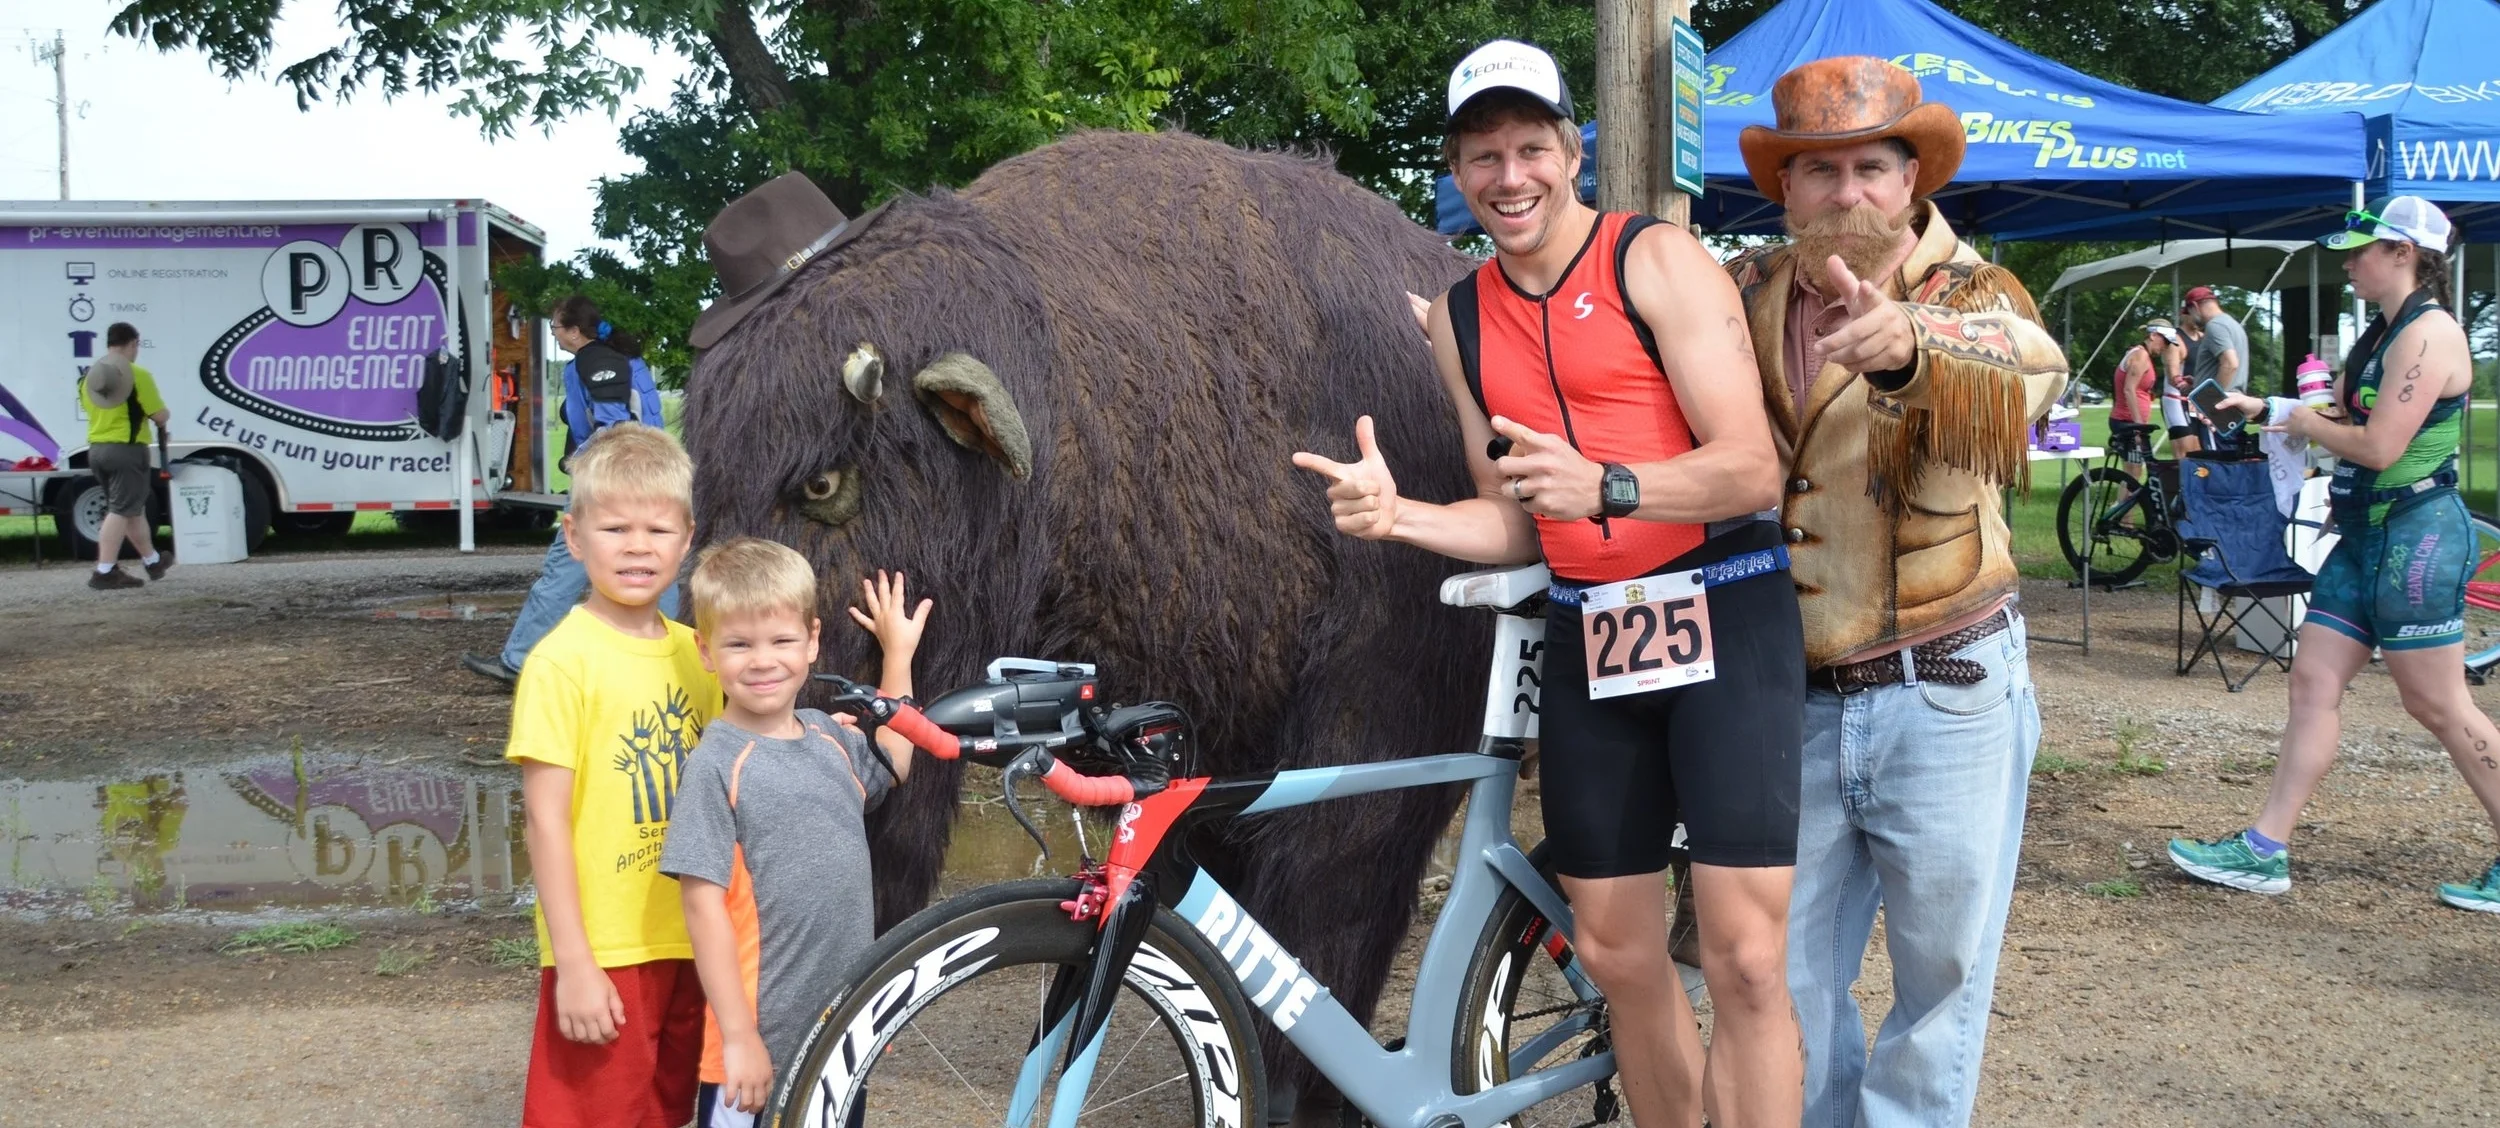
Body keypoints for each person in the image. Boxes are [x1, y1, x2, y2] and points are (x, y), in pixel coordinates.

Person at [1295, 39, 1804, 1127]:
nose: (1509, 176)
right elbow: (1516, 516)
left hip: (1722, 599)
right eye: (1483, 155)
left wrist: (1607, 484)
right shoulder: (1463, 317)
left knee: (1744, 954)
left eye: (1531, 147)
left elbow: (1750, 466)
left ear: (1571, 151)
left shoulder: (1654, 260)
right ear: (1455, 169)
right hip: (1592, 632)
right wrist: (1401, 519)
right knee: (1617, 950)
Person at [1717, 56, 2067, 1127]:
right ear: (1785, 189)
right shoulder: (1741, 293)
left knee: (1940, 987)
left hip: (1946, 690)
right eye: (1818, 171)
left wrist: (1915, 346)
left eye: (1871, 166)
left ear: (1912, 180)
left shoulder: (1975, 292)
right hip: (1791, 696)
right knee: (1783, 975)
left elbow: (2035, 369)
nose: (1847, 192)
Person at [2170, 196, 2500, 913]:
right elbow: (2350, 416)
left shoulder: (2430, 335)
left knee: (2438, 704)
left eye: (2362, 250)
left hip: (2416, 536)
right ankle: (2264, 849)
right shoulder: (2384, 333)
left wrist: (2308, 422)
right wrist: (2262, 408)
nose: (2348, 262)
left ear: (2404, 253)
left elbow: (2378, 446)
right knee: (2312, 683)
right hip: (2365, 537)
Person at [661, 546, 931, 1127]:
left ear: (812, 641)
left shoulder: (829, 737)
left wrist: (898, 654)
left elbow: (896, 759)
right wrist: (737, 1037)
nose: (763, 661)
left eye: (781, 641)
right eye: (739, 644)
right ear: (706, 651)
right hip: (757, 1049)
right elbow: (701, 904)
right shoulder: (715, 766)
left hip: (839, 1031)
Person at [504, 421, 721, 1128]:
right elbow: (545, 821)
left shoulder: (703, 655)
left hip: (693, 938)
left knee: (666, 1113)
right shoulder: (561, 661)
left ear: (687, 539)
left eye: (657, 530)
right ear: (573, 538)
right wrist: (573, 962)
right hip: (607, 947)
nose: (637, 547)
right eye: (615, 528)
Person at [463, 297, 673, 686]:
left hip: (610, 479)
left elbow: (614, 428)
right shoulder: (616, 357)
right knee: (660, 565)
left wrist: (580, 464)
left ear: (575, 331)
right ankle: (678, 658)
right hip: (651, 476)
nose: (554, 335)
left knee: (566, 564)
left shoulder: (595, 361)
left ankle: (520, 661)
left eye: (556, 327)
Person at [79, 323, 171, 590]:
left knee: (132, 508)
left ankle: (153, 561)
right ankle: (104, 571)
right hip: (127, 450)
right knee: (120, 510)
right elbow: (158, 414)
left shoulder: (91, 377)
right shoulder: (136, 374)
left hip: (97, 449)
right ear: (133, 343)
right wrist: (165, 416)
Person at [2185, 284, 2250, 395]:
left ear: (2195, 306)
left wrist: (2213, 398)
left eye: (2189, 312)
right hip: (2234, 396)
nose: (2190, 317)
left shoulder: (2215, 325)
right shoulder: (2233, 324)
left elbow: (2230, 364)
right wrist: (2200, 380)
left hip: (2224, 401)